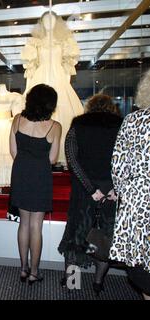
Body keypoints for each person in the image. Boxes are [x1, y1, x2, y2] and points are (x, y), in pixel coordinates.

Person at [57, 94, 123, 295]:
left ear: (90, 108)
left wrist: (90, 189)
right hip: (111, 192)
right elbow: (126, 159)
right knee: (105, 237)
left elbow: (72, 159)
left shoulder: (79, 123)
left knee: (75, 238)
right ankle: (97, 283)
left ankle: (72, 283)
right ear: (112, 108)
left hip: (84, 191)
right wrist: (115, 188)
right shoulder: (121, 125)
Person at [9, 84, 62, 285]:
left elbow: (13, 152)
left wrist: (25, 162)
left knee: (23, 223)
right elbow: (53, 158)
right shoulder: (54, 126)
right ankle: (34, 272)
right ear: (50, 104)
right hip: (40, 175)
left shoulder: (17, 120)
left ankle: (23, 269)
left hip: (21, 173)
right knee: (36, 226)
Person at [21, 11, 84, 164]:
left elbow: (68, 69)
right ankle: (38, 151)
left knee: (64, 113)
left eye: (52, 20)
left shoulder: (64, 41)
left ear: (58, 22)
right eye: (46, 20)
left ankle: (62, 154)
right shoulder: (35, 42)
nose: (49, 23)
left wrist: (65, 86)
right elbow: (30, 69)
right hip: (40, 78)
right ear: (41, 22)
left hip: (59, 77)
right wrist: (27, 91)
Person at [109, 70, 150, 300]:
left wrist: (129, 194)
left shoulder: (133, 121)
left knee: (142, 269)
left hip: (139, 202)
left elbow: (119, 168)